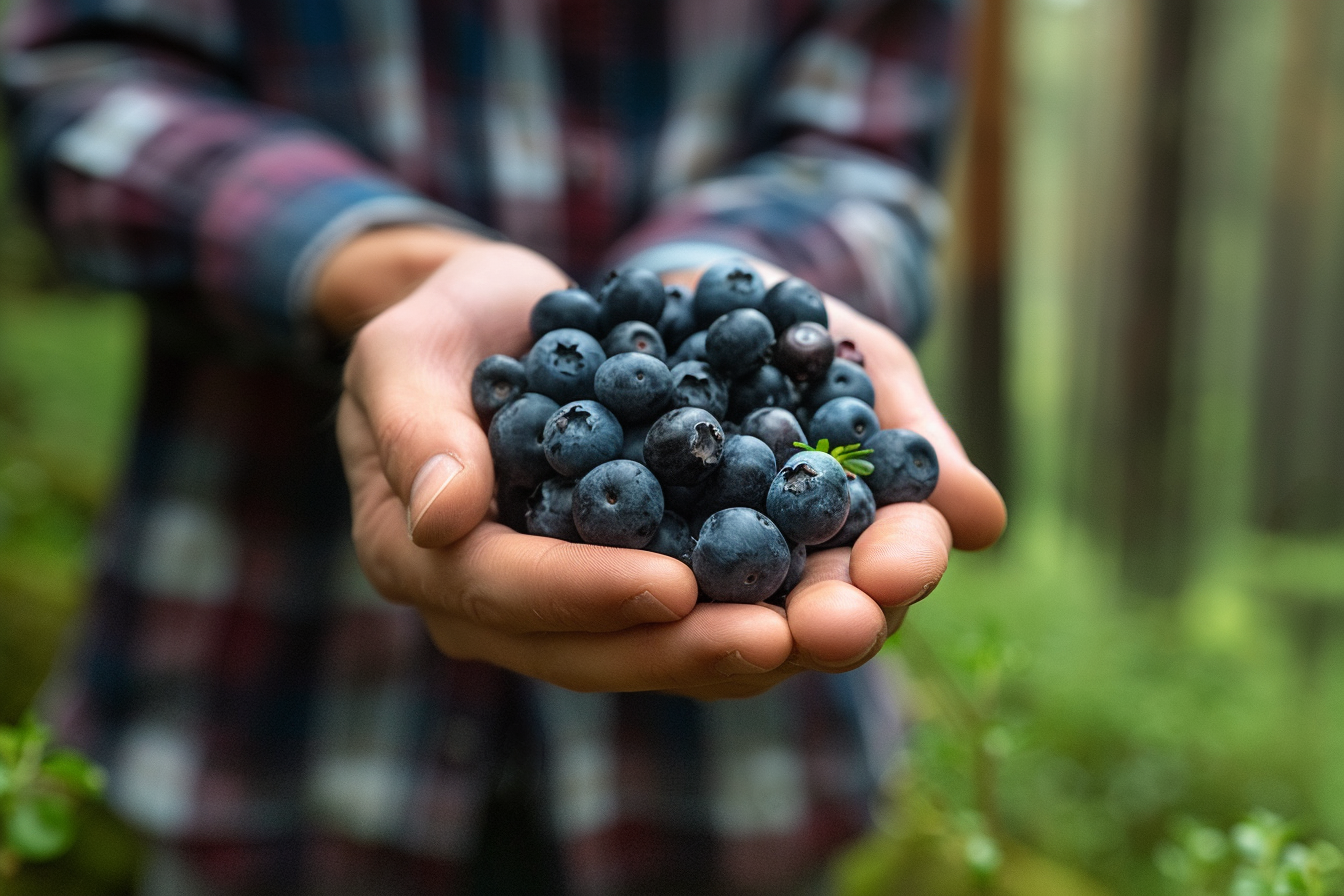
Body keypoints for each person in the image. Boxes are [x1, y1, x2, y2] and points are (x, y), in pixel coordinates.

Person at [2, 0, 1006, 892]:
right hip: (270, 723)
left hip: (729, 795)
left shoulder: (745, 425)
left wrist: (716, 268)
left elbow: (861, 157)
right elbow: (86, 82)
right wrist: (373, 262)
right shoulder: (586, 426)